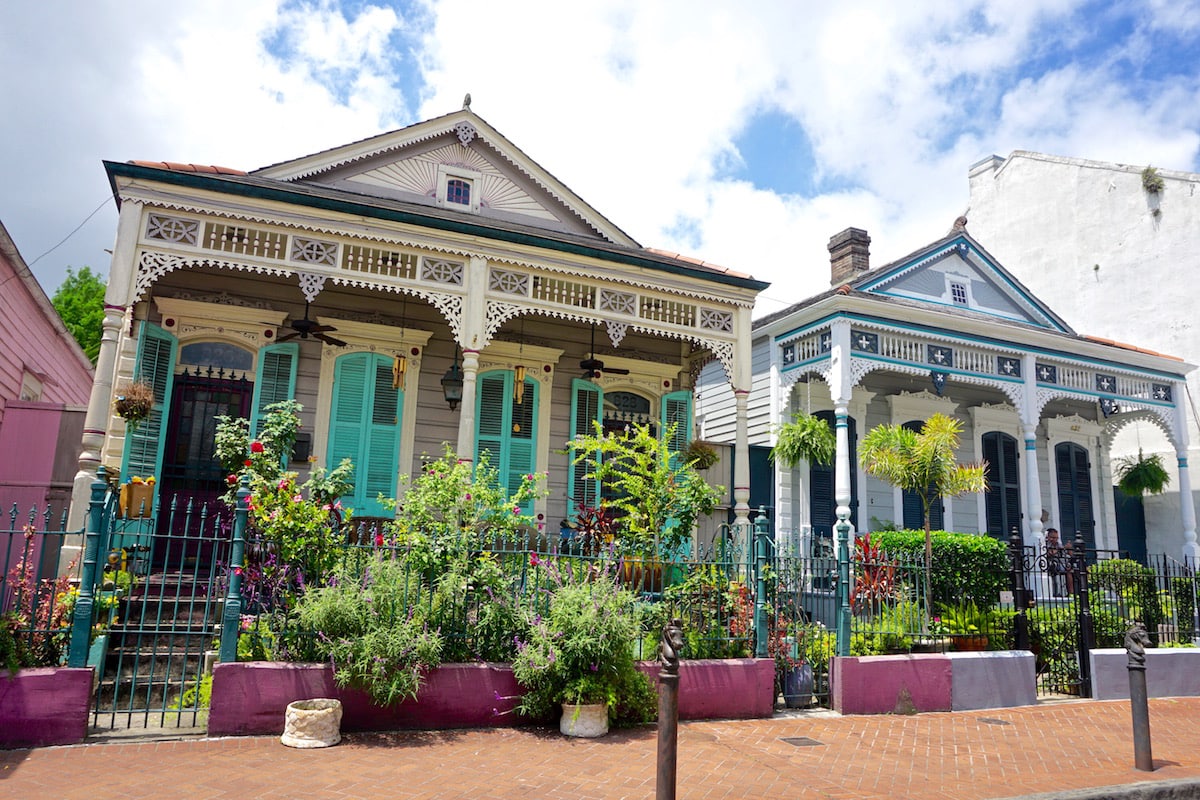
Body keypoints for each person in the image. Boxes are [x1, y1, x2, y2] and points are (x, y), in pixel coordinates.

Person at [1045, 528, 1067, 597]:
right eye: (1053, 537)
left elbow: (1065, 554)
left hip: (1061, 563)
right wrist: (1059, 550)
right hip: (1050, 564)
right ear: (1048, 537)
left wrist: (1068, 550)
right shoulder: (1046, 544)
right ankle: (1055, 593)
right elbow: (1049, 554)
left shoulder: (1058, 544)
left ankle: (1070, 593)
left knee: (1071, 569)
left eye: (1056, 538)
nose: (1055, 540)